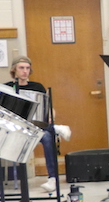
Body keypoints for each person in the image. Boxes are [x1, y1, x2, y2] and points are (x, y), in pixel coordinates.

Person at [4, 57, 71, 193]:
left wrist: (51, 115)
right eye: (21, 68)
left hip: (35, 128)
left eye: (27, 68)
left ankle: (52, 178)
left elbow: (48, 108)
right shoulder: (7, 88)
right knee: (47, 131)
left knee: (47, 137)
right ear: (14, 70)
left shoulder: (37, 87)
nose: (25, 71)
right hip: (14, 129)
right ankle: (56, 128)